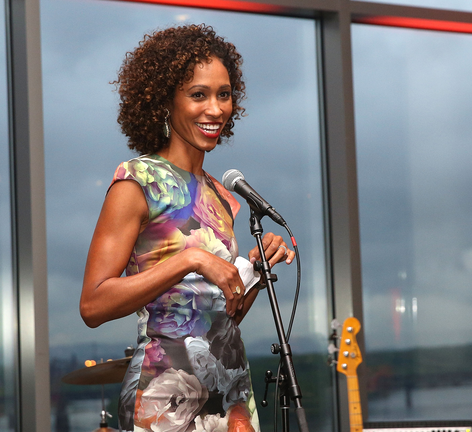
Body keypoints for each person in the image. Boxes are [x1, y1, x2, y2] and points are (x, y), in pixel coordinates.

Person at [79, 24, 295, 432]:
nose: (215, 109)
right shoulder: (137, 181)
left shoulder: (224, 197)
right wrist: (191, 260)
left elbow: (216, 321)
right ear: (166, 100)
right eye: (199, 94)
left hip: (231, 394)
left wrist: (255, 273)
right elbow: (92, 305)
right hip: (165, 397)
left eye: (224, 95)